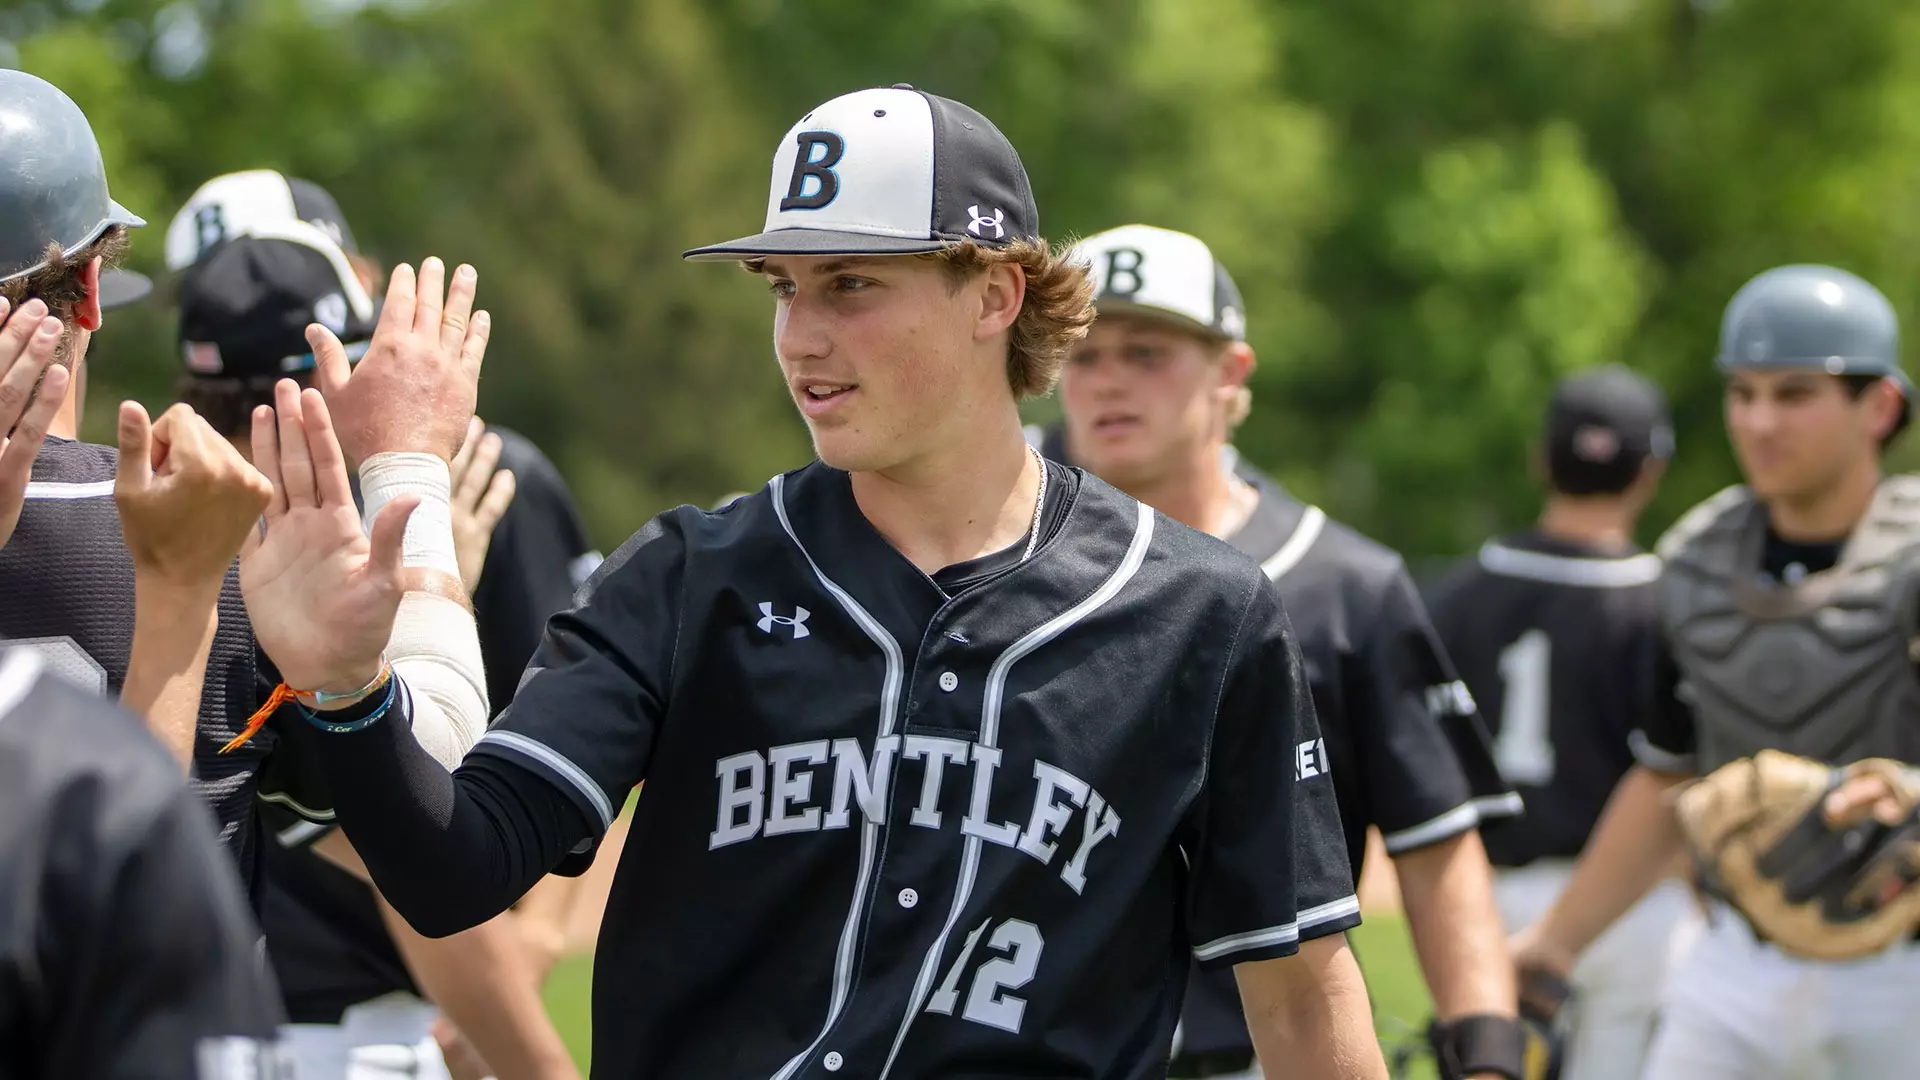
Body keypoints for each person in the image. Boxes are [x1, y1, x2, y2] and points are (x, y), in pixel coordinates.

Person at [241, 85, 1388, 1079]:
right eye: (782, 287)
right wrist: (349, 695)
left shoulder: (1200, 612)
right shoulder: (688, 579)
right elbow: (456, 871)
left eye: (849, 284)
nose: (799, 335)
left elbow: (1300, 993)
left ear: (997, 295)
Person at [1044, 224, 1526, 1080]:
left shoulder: (1344, 585)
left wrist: (1486, 1050)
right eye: (1084, 355)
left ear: (1231, 372)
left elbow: (1436, 845)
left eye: (1148, 352)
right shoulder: (996, 569)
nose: (1109, 380)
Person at [167, 171, 580, 1080]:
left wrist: (535, 944)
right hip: (357, 1032)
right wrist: (432, 579)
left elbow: (585, 744)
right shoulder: (253, 555)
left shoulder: (150, 523)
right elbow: (409, 826)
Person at [1511, 264, 1920, 1079]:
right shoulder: (1698, 561)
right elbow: (1667, 770)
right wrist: (1553, 944)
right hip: (1736, 960)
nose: (1760, 422)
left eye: (1795, 395)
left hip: (1901, 969)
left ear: (1879, 406)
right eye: (1743, 393)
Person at [1425, 366, 1694, 1080]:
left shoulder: (1456, 592)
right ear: (1651, 470)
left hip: (1481, 899)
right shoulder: (1670, 603)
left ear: (1540, 458)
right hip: (1630, 907)